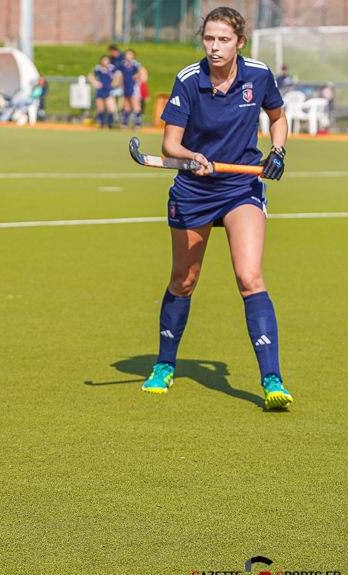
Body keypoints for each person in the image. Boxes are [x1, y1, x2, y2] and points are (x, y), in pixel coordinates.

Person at [141, 7, 292, 409]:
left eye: (224, 39)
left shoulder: (258, 75)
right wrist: (192, 157)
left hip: (241, 187)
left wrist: (278, 150)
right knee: (184, 280)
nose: (215, 47)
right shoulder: (189, 79)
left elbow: (278, 118)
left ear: (240, 42)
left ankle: (272, 379)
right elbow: (170, 144)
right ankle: (164, 363)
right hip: (194, 189)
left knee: (249, 277)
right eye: (209, 38)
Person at [87, 56, 120, 129]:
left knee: (111, 108)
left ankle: (109, 124)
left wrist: (114, 83)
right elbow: (90, 76)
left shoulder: (111, 68)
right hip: (100, 90)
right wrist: (95, 83)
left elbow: (118, 75)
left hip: (108, 90)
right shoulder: (98, 68)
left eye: (107, 60)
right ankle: (102, 124)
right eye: (104, 60)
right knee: (100, 108)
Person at [120, 49, 148, 130]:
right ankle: (125, 123)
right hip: (125, 86)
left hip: (133, 86)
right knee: (126, 105)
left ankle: (137, 124)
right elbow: (121, 74)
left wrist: (137, 76)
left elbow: (143, 71)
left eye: (130, 54)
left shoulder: (135, 64)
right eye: (127, 54)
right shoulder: (123, 64)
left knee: (135, 104)